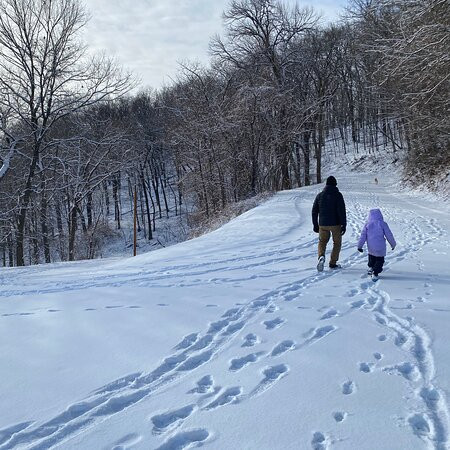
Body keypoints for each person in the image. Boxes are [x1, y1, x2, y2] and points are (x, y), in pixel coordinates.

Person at [312, 176, 347, 272]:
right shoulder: (338, 195)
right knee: (337, 243)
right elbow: (342, 211)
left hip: (323, 224)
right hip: (336, 224)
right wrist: (344, 224)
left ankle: (321, 256)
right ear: (335, 184)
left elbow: (314, 211)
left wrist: (315, 224)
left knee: (322, 242)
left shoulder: (319, 195)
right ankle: (332, 263)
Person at [357, 208, 396, 281]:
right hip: (380, 247)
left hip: (371, 247)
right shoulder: (383, 224)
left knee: (372, 258)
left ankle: (371, 268)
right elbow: (389, 235)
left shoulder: (367, 225)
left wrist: (360, 246)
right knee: (379, 260)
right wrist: (393, 244)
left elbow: (363, 236)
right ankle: (375, 272)